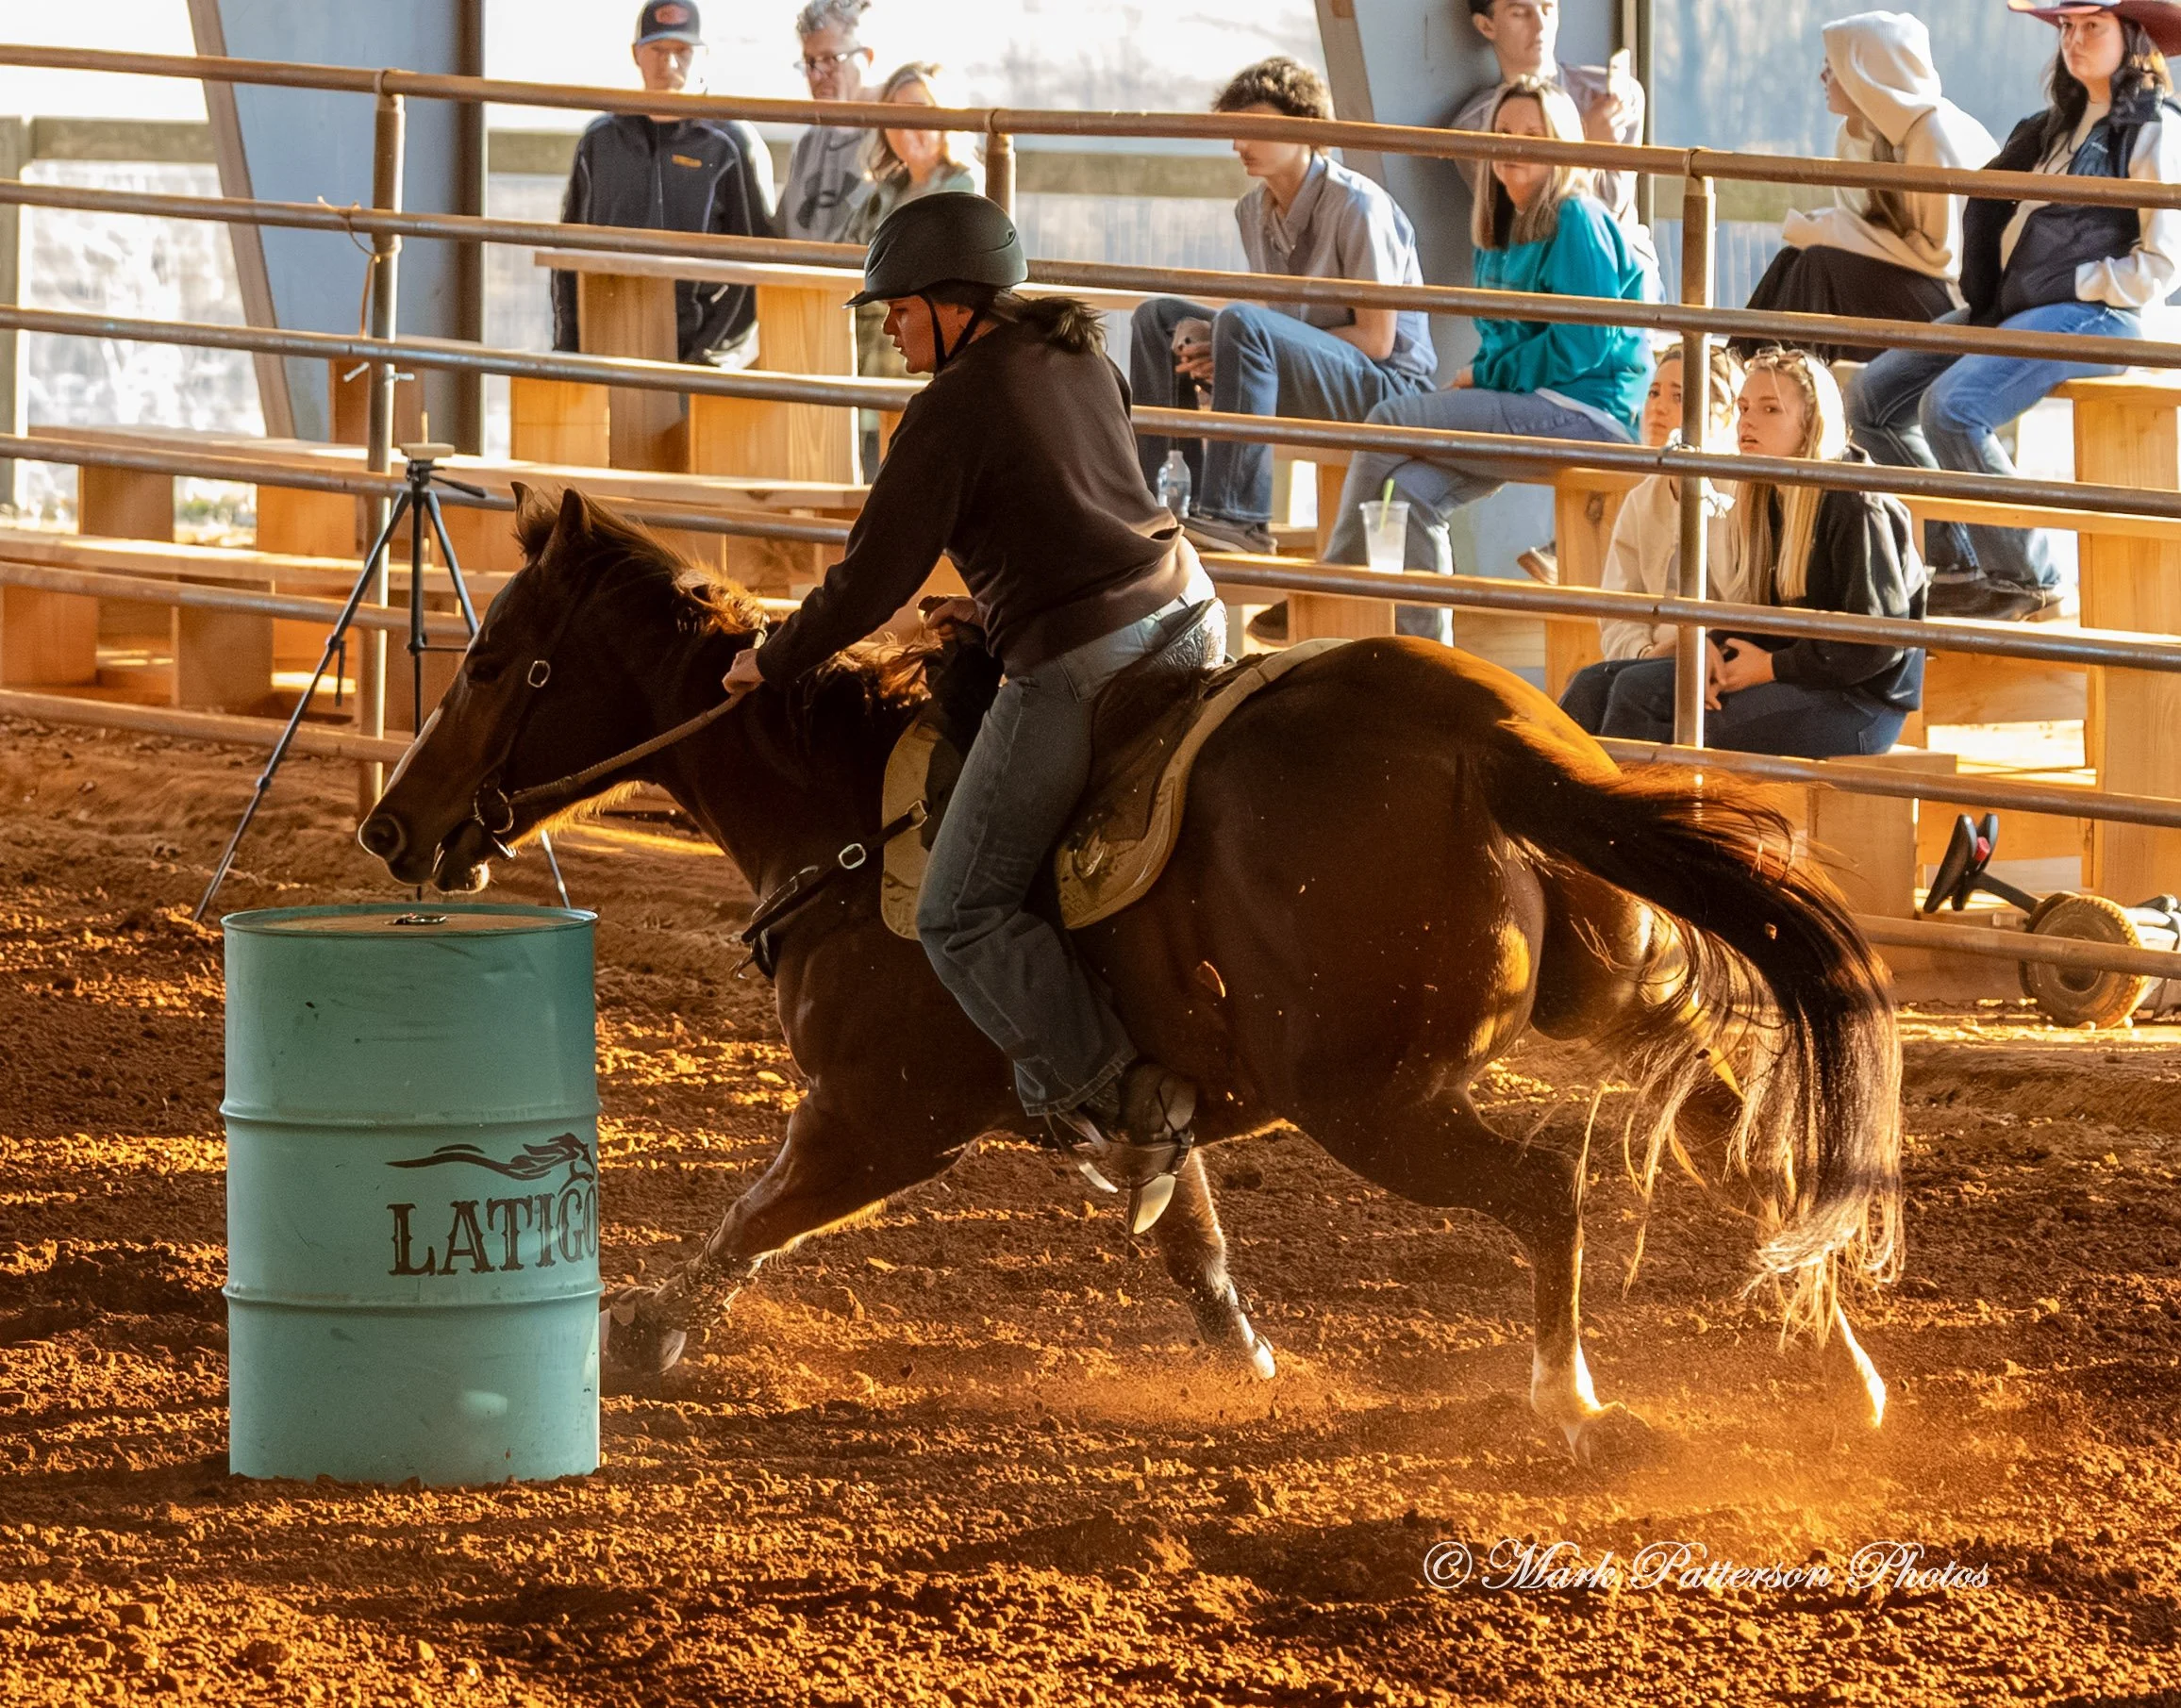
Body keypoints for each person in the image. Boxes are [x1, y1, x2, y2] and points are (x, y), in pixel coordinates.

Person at [717, 195, 1223, 1223]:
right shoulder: (1082, 358)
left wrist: (771, 662)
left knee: (956, 909)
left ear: (952, 306)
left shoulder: (950, 405)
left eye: (898, 312)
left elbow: (868, 584)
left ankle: (1119, 1095)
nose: (891, 332)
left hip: (1084, 659)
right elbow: (1074, 506)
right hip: (1193, 612)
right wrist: (989, 602)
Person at [1848, 0, 2181, 620]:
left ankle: (2033, 576)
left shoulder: (2155, 129)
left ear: (2133, 38)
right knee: (1871, 399)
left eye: (2092, 27)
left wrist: (2077, 280)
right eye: (2067, 28)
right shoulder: (2054, 125)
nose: (2074, 40)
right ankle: (1961, 559)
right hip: (2015, 305)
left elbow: (2162, 267)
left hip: (2101, 314)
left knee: (1954, 406)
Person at [1320, 79, 1651, 644]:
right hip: (1532, 404)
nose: (1514, 147)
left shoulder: (1577, 218)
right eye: (1502, 133)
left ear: (1564, 144)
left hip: (1590, 412)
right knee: (1411, 491)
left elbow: (1584, 346)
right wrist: (1477, 382)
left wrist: (1483, 378)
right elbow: (1503, 342)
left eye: (1533, 134)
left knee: (1389, 421)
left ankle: (1332, 585)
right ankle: (1430, 659)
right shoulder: (1498, 228)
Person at [1127, 56, 1437, 576]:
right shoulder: (1252, 210)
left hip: (1385, 388)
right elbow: (1271, 325)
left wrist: (1240, 342)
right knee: (1157, 317)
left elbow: (1378, 340)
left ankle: (1238, 520)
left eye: (1254, 128)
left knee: (1241, 322)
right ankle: (1160, 504)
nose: (1238, 145)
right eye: (1233, 130)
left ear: (1305, 128)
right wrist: (1220, 349)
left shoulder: (1358, 206)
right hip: (1301, 371)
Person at [1586, 350, 1926, 758]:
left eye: (1770, 409)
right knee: (1595, 686)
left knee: (1662, 713)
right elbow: (1762, 615)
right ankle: (1554, 819)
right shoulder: (1768, 490)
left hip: (1859, 704)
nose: (1748, 421)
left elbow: (1878, 646)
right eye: (1744, 407)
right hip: (1794, 674)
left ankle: (1640, 820)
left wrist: (1770, 668)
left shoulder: (1854, 502)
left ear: (1810, 422)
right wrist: (1711, 645)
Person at [1735, 12, 1998, 365]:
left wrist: (1838, 232)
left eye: (1833, 64)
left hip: (1958, 305)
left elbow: (1942, 260)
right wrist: (1836, 232)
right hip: (1905, 285)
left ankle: (1784, 394)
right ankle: (1732, 377)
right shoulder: (1853, 135)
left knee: (1819, 263)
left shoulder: (1933, 136)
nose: (1822, 75)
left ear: (1865, 71)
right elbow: (1866, 236)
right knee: (1793, 259)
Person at [551, 1, 776, 368]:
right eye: (657, 49)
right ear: (636, 54)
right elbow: (567, 251)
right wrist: (568, 348)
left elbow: (757, 265)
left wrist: (708, 356)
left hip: (698, 356)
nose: (669, 64)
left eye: (682, 51)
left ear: (704, 55)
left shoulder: (732, 144)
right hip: (605, 345)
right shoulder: (599, 140)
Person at [1557, 343, 1744, 731]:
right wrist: (1648, 650)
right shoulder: (1641, 500)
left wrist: (1696, 642)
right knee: (1586, 686)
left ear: (1722, 414)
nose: (1658, 408)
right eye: (1655, 392)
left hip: (1724, 655)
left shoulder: (1742, 492)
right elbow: (1619, 608)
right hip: (1656, 654)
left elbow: (1746, 593)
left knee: (1631, 691)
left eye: (1679, 397)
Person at [1454, 0, 1655, 279]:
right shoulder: (1475, 126)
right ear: (1486, 25)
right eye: (1519, 12)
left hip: (1621, 267)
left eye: (1548, 8)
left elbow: (1611, 211)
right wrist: (1588, 148)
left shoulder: (1610, 96)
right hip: (1539, 273)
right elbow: (1523, 223)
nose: (1540, 25)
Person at [851, 63, 983, 379]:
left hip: (931, 357)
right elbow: (844, 255)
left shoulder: (966, 190)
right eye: (894, 116)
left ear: (945, 118)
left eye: (919, 114)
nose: (906, 127)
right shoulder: (884, 192)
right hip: (871, 350)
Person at [779, 0, 876, 244]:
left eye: (831, 59)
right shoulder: (807, 143)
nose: (815, 75)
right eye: (810, 62)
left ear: (867, 57)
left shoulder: (899, 141)